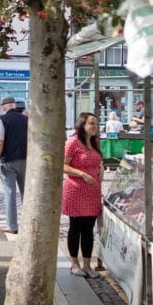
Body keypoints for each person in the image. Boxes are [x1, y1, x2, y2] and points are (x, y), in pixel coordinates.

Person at [62, 112, 104, 279]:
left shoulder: (95, 142)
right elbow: (63, 165)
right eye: (91, 123)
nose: (94, 126)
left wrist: (101, 169)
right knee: (76, 227)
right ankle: (74, 263)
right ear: (82, 125)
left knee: (89, 229)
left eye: (96, 123)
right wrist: (81, 174)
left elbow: (97, 162)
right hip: (76, 190)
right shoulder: (72, 142)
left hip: (93, 191)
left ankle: (87, 265)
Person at [0, 96, 28, 234]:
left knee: (10, 193)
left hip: (9, 162)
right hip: (26, 160)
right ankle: (29, 224)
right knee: (27, 194)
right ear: (15, 106)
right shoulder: (26, 119)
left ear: (4, 107)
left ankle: (12, 226)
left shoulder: (2, 120)